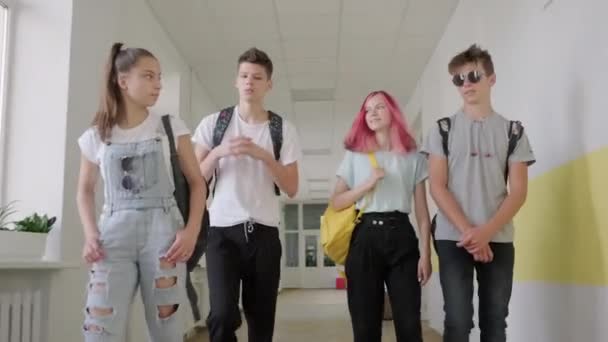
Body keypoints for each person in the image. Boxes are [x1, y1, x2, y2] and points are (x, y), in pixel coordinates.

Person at [76, 42, 206, 342]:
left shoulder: (170, 128)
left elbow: (198, 183)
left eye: (160, 77)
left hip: (164, 236)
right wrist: (90, 233)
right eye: (149, 76)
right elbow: (84, 190)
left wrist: (190, 231)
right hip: (111, 238)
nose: (158, 85)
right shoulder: (96, 135)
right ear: (123, 81)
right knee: (100, 327)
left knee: (167, 328)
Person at [421, 44, 535, 342]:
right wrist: (471, 233)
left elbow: (519, 192)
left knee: (495, 320)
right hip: (451, 236)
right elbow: (437, 185)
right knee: (458, 320)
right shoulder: (442, 130)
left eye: (473, 76)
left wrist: (486, 232)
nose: (466, 84)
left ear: (491, 79)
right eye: (458, 79)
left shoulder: (514, 132)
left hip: (498, 236)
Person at [192, 47, 302, 342]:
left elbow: (291, 187)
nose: (249, 82)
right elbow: (195, 180)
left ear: (269, 84)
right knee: (223, 313)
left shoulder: (282, 129)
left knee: (261, 319)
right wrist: (218, 152)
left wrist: (264, 156)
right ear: (236, 81)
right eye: (243, 76)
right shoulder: (213, 124)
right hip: (222, 233)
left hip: (264, 234)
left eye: (257, 77)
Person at [331, 90, 432, 342]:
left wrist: (427, 254)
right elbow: (337, 201)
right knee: (365, 327)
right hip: (364, 237)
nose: (372, 113)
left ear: (393, 112)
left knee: (409, 325)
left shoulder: (413, 156)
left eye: (379, 107)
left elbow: (422, 211)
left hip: (402, 237)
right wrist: (366, 184)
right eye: (367, 110)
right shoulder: (355, 155)